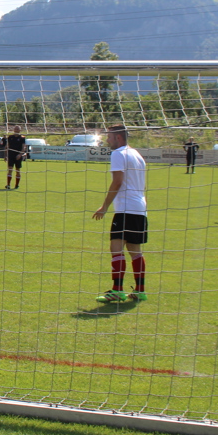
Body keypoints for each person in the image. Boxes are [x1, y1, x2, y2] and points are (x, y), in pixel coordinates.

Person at [91, 125, 147, 303]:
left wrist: (105, 206)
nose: (107, 141)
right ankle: (140, 291)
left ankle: (117, 290)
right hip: (140, 209)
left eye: (109, 137)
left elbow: (117, 182)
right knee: (135, 251)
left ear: (118, 138)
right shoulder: (137, 155)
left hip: (126, 209)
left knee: (116, 248)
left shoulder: (118, 154)